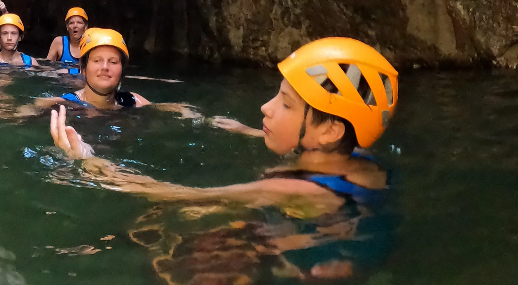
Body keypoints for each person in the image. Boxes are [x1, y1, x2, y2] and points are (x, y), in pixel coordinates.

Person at [49, 37, 399, 279]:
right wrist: (241, 130)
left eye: (286, 104)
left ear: (330, 131)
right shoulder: (355, 157)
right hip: (327, 232)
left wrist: (88, 161)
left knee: (157, 227)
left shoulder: (296, 190)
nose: (266, 107)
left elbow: (176, 194)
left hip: (301, 260)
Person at [37, 28, 149, 109]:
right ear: (83, 69)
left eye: (113, 62)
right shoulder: (61, 104)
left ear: (122, 71)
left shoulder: (134, 101)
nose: (105, 67)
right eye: (97, 60)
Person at [45, 7, 88, 75]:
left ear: (85, 27)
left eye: (79, 23)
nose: (75, 26)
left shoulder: (90, 44)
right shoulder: (59, 42)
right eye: (71, 23)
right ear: (67, 27)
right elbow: (47, 67)